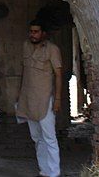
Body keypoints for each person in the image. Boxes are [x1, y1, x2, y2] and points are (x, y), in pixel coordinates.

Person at [15, 19, 63, 177]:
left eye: (36, 32)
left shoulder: (52, 49)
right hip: (28, 100)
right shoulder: (25, 46)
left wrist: (57, 99)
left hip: (45, 100)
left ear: (43, 33)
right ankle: (44, 172)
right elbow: (24, 73)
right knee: (37, 138)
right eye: (31, 31)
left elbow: (59, 75)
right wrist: (18, 96)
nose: (32, 34)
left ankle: (54, 173)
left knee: (49, 137)